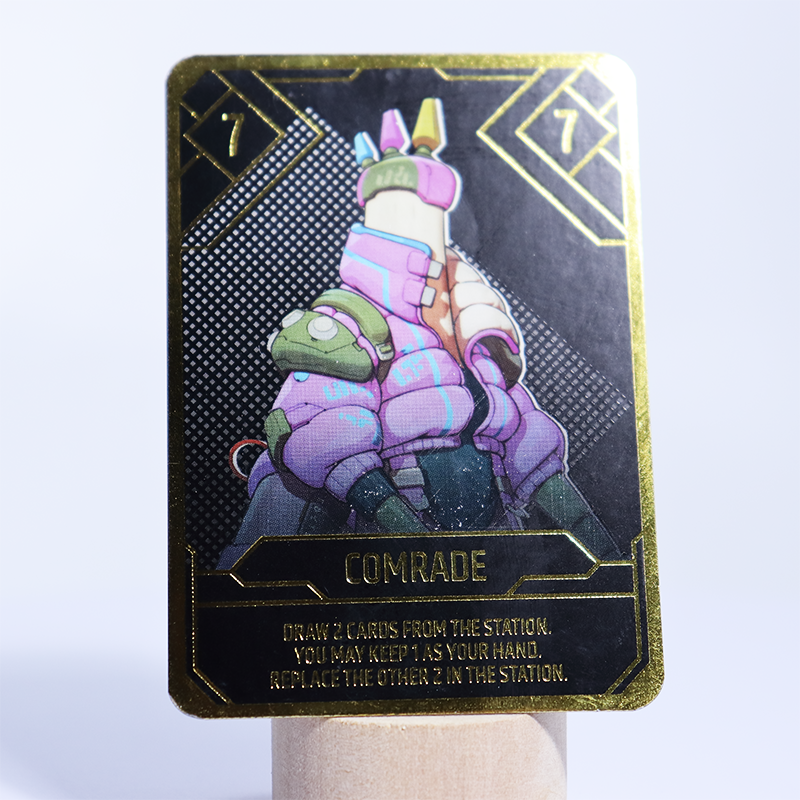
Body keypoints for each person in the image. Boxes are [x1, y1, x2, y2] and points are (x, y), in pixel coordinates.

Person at [217, 98, 619, 570]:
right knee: (287, 475)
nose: (424, 218)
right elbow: (324, 437)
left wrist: (603, 553)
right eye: (409, 208)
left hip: (490, 552)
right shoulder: (351, 322)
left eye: (431, 210)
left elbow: (526, 444)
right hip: (387, 555)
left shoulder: (473, 329)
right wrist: (409, 533)